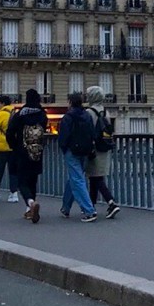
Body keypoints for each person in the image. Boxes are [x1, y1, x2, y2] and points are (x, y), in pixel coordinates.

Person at [6, 89, 48, 223]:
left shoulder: (20, 115)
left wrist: (14, 145)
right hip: (37, 152)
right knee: (33, 180)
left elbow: (10, 132)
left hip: (22, 151)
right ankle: (29, 210)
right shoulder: (42, 115)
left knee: (22, 181)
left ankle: (30, 203)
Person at [58, 93, 98, 222]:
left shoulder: (68, 117)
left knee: (77, 179)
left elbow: (63, 136)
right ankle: (65, 207)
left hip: (72, 150)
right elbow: (93, 133)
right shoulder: (87, 115)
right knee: (75, 178)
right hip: (85, 150)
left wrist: (64, 148)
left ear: (70, 102)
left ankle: (89, 210)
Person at [84, 86, 120, 219]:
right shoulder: (106, 112)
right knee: (95, 177)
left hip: (94, 149)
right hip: (105, 148)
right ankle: (91, 205)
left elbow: (87, 132)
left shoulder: (89, 112)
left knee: (96, 178)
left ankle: (111, 202)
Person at [0, 94, 19, 202]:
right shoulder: (15, 113)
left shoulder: (1, 114)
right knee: (13, 171)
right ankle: (14, 193)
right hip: (14, 146)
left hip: (2, 146)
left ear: (2, 103)